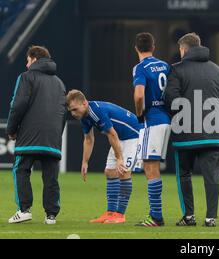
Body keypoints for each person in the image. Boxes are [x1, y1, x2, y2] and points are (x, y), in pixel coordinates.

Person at [164, 32, 219, 227]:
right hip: (212, 132)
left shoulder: (176, 69)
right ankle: (211, 218)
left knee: (184, 174)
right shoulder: (217, 70)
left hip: (186, 135)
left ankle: (189, 216)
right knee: (212, 176)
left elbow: (171, 98)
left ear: (183, 50)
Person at [6, 46, 66, 225]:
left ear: (34, 59)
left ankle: (24, 210)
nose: (26, 64)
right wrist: (57, 134)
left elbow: (18, 104)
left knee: (21, 170)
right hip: (52, 138)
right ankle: (51, 215)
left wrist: (11, 129)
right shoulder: (60, 82)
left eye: (27, 60)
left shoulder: (26, 77)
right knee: (50, 176)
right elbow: (63, 112)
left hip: (28, 136)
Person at [66, 90, 141, 224]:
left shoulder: (96, 112)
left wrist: (119, 159)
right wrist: (85, 162)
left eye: (75, 109)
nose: (73, 113)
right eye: (71, 111)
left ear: (84, 103)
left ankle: (120, 215)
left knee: (123, 172)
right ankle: (111, 213)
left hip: (134, 135)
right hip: (120, 137)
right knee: (110, 172)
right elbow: (89, 139)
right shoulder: (84, 116)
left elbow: (112, 134)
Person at [133, 32, 172, 227]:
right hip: (165, 118)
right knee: (152, 165)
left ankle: (156, 216)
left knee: (150, 166)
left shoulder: (140, 68)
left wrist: (140, 114)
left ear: (136, 48)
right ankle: (156, 215)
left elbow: (139, 95)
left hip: (152, 120)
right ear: (153, 47)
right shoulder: (165, 65)